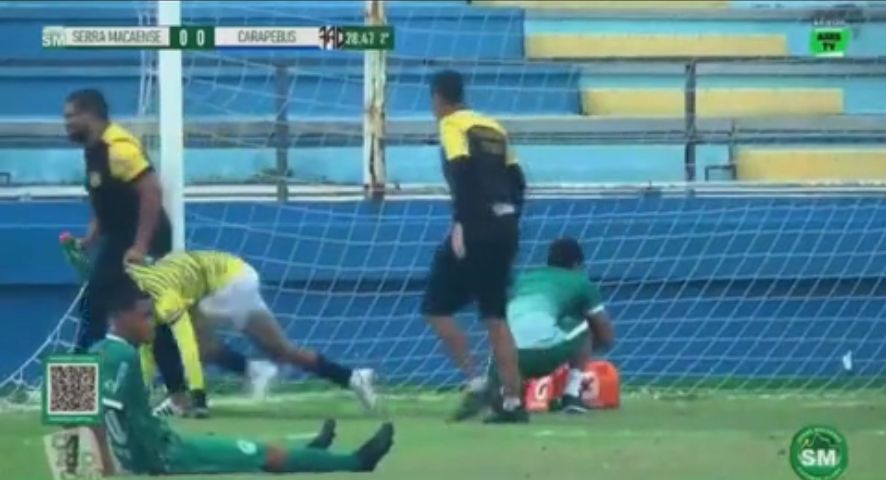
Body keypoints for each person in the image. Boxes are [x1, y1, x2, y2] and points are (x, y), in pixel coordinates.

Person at [88, 279, 394, 476]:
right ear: (118, 317)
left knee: (256, 451)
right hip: (164, 457)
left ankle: (312, 454)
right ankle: (357, 462)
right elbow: (98, 415)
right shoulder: (123, 356)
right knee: (264, 455)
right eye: (145, 316)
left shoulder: (93, 352)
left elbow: (65, 411)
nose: (152, 322)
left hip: (158, 448)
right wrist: (106, 470)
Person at [126, 250, 378, 418]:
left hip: (229, 284)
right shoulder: (158, 277)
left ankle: (183, 398)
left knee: (184, 338)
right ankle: (352, 378)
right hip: (242, 275)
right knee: (281, 350)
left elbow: (185, 345)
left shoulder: (163, 293)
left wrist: (198, 396)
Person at [63, 88, 188, 409]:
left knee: (94, 308)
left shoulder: (119, 148)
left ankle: (74, 399)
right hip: (122, 238)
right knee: (142, 314)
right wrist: (90, 239)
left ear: (90, 114)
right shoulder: (93, 150)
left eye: (70, 116)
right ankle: (181, 396)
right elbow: (108, 201)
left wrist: (140, 246)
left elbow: (151, 193)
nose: (66, 123)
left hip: (141, 240)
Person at [423, 70, 528, 423]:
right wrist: (510, 218)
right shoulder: (494, 126)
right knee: (496, 317)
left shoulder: (452, 125)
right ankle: (513, 403)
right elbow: (518, 181)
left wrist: (461, 223)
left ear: (438, 98)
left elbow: (461, 173)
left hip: (476, 226)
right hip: (506, 226)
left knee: (435, 306)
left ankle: (477, 381)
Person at [453, 238, 615, 420]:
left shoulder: (524, 279)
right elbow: (606, 333)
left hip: (503, 361)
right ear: (578, 263)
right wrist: (586, 351)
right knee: (584, 324)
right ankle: (572, 395)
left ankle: (505, 395)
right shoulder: (581, 282)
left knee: (508, 329)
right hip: (543, 354)